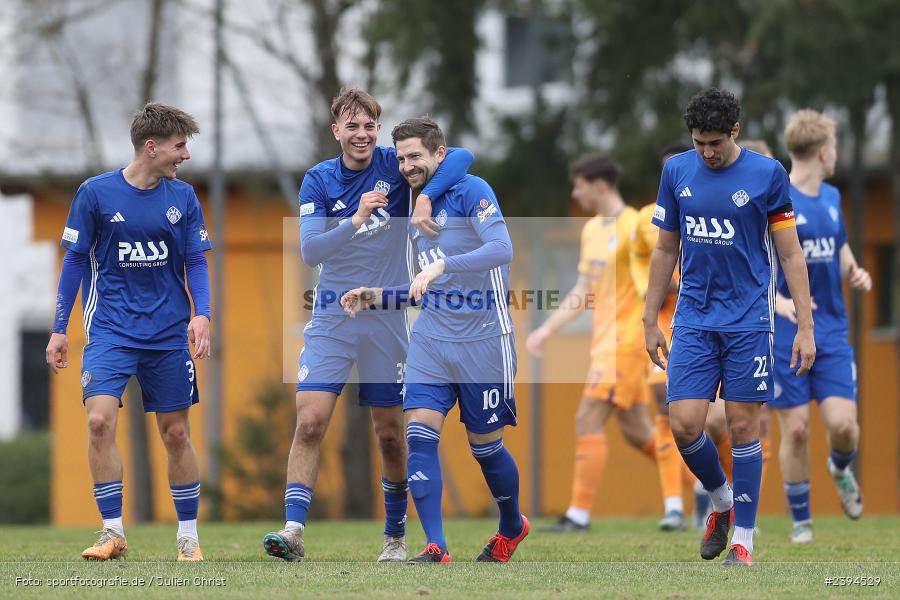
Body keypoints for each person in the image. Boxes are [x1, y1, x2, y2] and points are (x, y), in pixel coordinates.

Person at [262, 89, 473, 563]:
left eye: (369, 126)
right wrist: (356, 218)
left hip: (385, 318)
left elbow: (461, 156)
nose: (361, 135)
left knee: (390, 433)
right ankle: (293, 531)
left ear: (378, 129)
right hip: (333, 317)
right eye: (351, 126)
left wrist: (426, 199)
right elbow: (312, 251)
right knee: (311, 420)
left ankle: (394, 538)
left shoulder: (394, 165)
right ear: (335, 130)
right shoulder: (318, 180)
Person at [340, 117, 528, 564]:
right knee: (419, 437)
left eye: (416, 156)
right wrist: (378, 296)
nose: (407, 165)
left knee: (486, 448)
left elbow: (503, 249)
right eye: (401, 157)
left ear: (439, 156)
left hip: (485, 340)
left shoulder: (472, 189)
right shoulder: (408, 202)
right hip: (430, 341)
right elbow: (420, 286)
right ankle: (436, 546)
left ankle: (511, 524)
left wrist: (444, 264)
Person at [643, 87, 816, 566]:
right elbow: (664, 249)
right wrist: (649, 318)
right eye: (699, 142)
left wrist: (805, 325)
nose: (707, 152)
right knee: (683, 424)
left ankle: (744, 538)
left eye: (715, 142)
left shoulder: (768, 175)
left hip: (748, 320)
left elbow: (789, 253)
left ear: (734, 132)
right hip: (694, 318)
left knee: (743, 427)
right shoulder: (676, 170)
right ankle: (720, 501)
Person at [45, 102, 212, 562]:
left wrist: (203, 314)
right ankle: (112, 532)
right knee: (98, 421)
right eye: (181, 146)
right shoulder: (95, 194)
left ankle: (188, 538)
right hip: (111, 333)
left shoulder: (184, 198)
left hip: (168, 335)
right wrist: (59, 329)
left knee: (176, 434)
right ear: (152, 146)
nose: (186, 156)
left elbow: (195, 260)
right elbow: (75, 260)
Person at [527, 154, 657, 533]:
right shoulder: (591, 232)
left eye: (579, 185)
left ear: (599, 185)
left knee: (587, 418)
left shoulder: (635, 226)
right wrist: (547, 330)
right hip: (604, 343)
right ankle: (707, 487)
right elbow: (583, 290)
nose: (575, 193)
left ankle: (578, 516)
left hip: (627, 341)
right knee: (638, 433)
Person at [772, 110, 870, 544]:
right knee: (795, 429)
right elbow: (755, 265)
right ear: (825, 151)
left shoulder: (831, 197)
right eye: (835, 149)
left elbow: (840, 246)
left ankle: (840, 468)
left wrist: (855, 270)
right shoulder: (776, 200)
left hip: (829, 330)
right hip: (785, 332)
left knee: (844, 426)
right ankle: (802, 522)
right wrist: (780, 302)